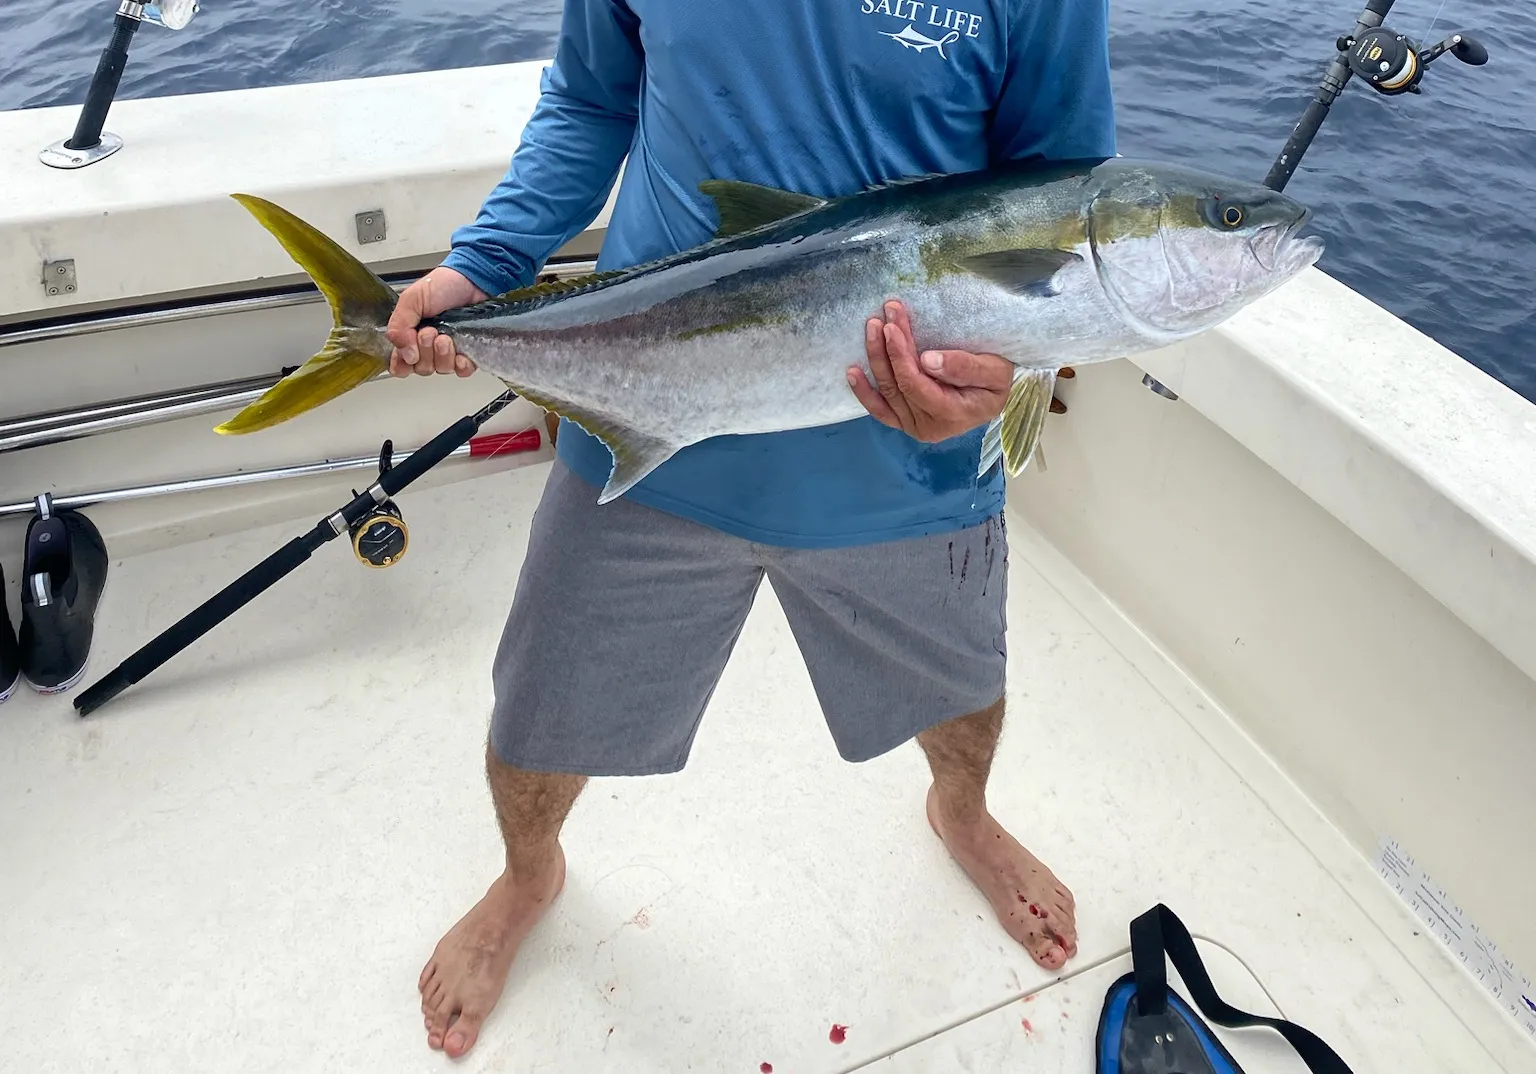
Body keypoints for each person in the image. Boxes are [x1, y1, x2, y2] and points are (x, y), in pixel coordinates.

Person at [389, 0, 1115, 1059]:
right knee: (541, 712)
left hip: (904, 456)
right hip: (651, 409)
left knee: (963, 689)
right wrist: (486, 264)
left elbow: (1060, 206)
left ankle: (961, 816)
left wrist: (1009, 370)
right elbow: (595, 100)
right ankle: (530, 873)